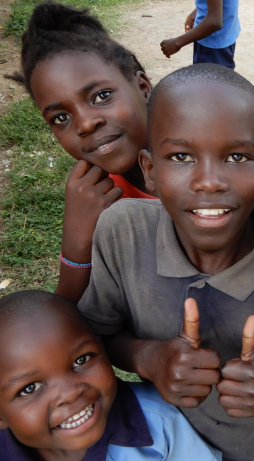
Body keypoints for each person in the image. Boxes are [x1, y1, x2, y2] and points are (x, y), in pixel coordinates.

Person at [77, 63, 254, 461]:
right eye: (181, 156)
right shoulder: (122, 233)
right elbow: (95, 337)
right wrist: (149, 358)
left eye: (235, 156)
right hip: (162, 438)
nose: (208, 181)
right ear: (149, 170)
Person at [15, 2, 156, 304]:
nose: (86, 123)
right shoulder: (96, 204)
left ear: (142, 86)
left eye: (101, 96)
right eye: (60, 118)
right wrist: (77, 243)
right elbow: (65, 320)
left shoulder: (208, 160)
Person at [0, 290, 221, 461]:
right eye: (30, 388)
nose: (69, 394)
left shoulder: (161, 424)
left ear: (103, 349)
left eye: (81, 360)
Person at [160, 0, 239, 69]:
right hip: (224, 35)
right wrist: (199, 9)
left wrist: (176, 43)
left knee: (211, 84)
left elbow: (214, 22)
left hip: (212, 46)